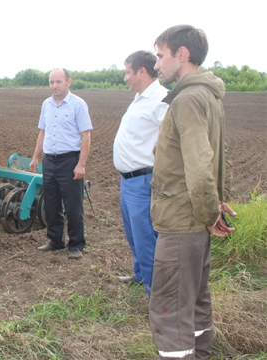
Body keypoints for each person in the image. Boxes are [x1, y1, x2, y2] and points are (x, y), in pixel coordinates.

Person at [149, 25, 237, 359]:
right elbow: (219, 157)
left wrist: (210, 213)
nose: (157, 65)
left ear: (181, 54)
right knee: (196, 302)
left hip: (182, 222)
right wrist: (216, 204)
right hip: (195, 222)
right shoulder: (208, 96)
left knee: (170, 309)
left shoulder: (187, 99)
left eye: (161, 56)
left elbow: (201, 166)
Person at [113, 51, 169, 295]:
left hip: (144, 180)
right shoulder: (139, 98)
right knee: (133, 233)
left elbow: (171, 138)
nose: (125, 78)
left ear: (141, 71)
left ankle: (154, 291)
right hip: (128, 180)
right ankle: (139, 274)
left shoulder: (161, 99)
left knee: (146, 236)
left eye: (128, 72)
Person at [29, 68, 92, 260]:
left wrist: (81, 164)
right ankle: (55, 240)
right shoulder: (46, 105)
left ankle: (76, 245)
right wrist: (35, 157)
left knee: (73, 206)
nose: (54, 86)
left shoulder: (78, 104)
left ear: (68, 82)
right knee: (51, 203)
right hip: (50, 161)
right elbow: (43, 132)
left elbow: (86, 136)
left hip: (69, 161)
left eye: (58, 82)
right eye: (51, 82)